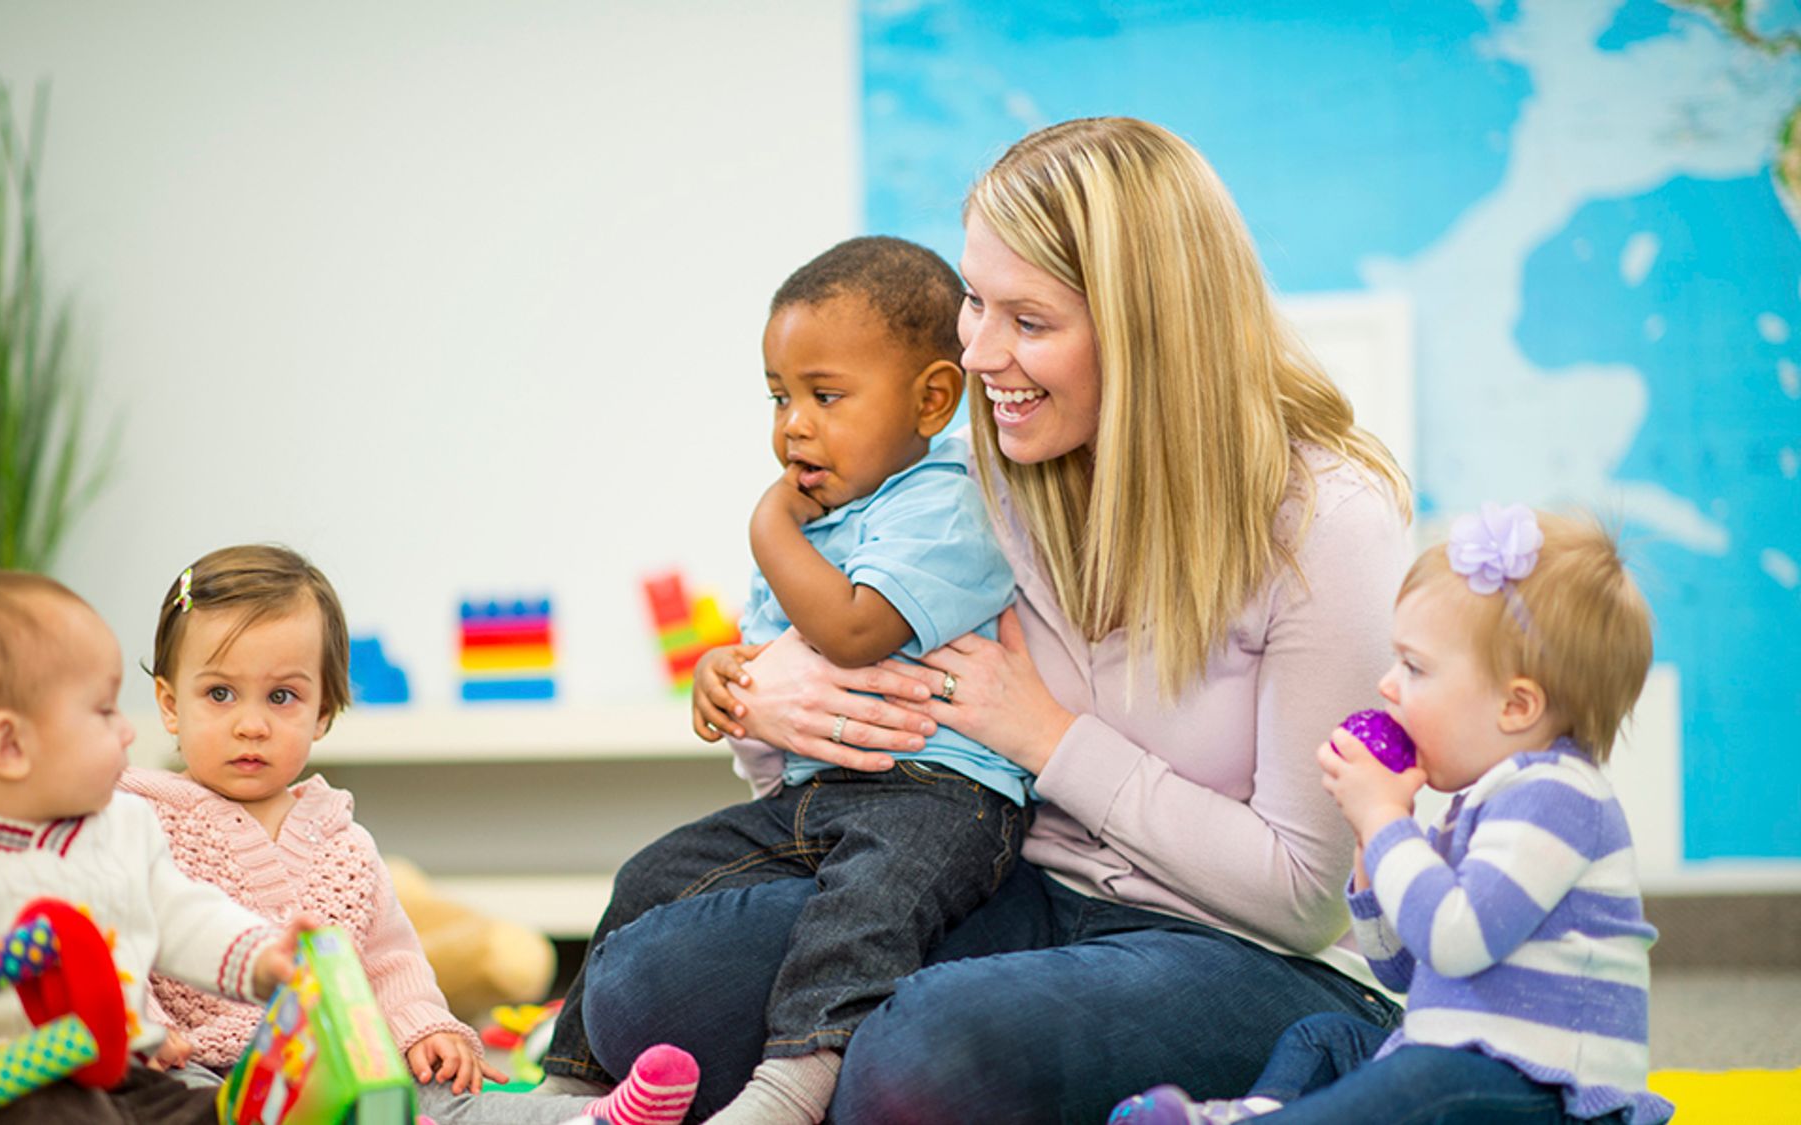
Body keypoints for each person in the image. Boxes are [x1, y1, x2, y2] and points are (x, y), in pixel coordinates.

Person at [562, 116, 1416, 1122]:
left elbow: (1301, 889)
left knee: (917, 1055)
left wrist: (1049, 740)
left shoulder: (1324, 520)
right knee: (649, 986)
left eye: (1028, 320)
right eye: (974, 301)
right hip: (1006, 890)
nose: (974, 354)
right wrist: (774, 699)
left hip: (1238, 948)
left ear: (1151, 328)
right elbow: (859, 771)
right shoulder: (975, 483)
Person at [541, 236, 1029, 1125]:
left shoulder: (951, 497)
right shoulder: (828, 514)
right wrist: (726, 677)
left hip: (939, 798)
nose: (793, 424)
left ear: (931, 397)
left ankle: (797, 1081)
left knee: (864, 911)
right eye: (779, 396)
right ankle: (569, 1087)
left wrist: (769, 525)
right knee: (656, 871)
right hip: (817, 792)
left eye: (825, 395)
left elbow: (850, 630)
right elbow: (774, 657)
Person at [1111, 505, 1673, 1125]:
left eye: (1414, 666)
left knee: (1420, 1080)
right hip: (1463, 1070)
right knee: (1324, 1036)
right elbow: (1401, 966)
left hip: (1551, 1097)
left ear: (1516, 705)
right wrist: (1368, 848)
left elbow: (1455, 941)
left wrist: (1385, 820)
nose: (1386, 685)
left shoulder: (1559, 798)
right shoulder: (1478, 803)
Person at [123, 543, 699, 1125]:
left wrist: (425, 1029)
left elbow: (391, 962)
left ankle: (587, 1118)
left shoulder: (342, 843)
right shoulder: (138, 821)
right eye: (219, 694)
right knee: (172, 1102)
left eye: (282, 697)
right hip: (205, 1063)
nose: (251, 725)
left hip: (342, 1064)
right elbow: (120, 941)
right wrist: (145, 1028)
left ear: (323, 710)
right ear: (171, 705)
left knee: (443, 1095)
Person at [0, 569, 309, 1124]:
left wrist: (261, 955)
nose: (127, 731)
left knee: (227, 1111)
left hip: (128, 1073)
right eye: (103, 711)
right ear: (9, 745)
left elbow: (181, 912)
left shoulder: (122, 824)